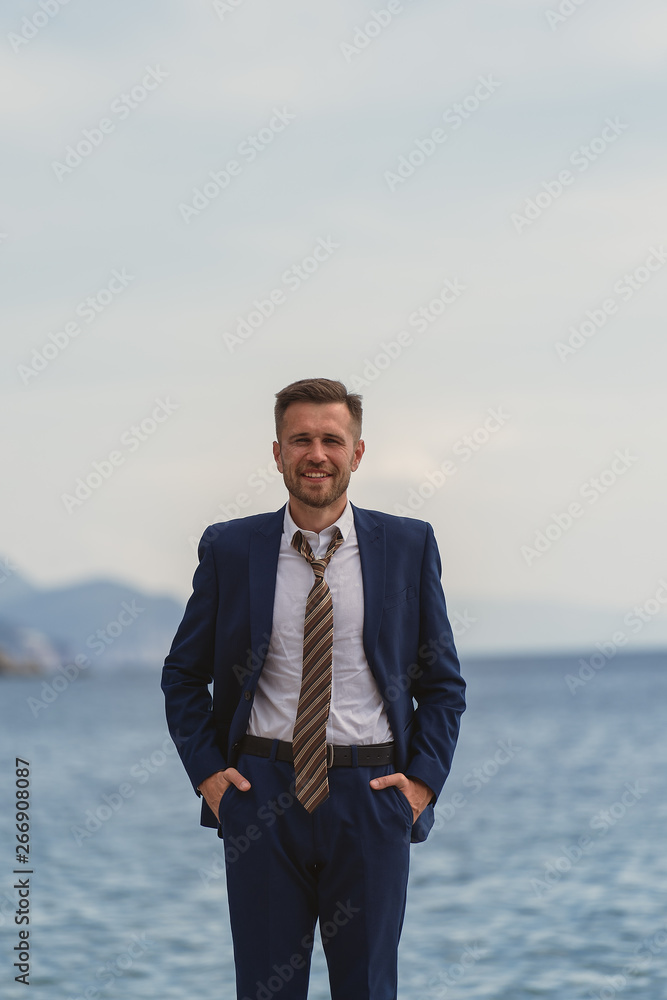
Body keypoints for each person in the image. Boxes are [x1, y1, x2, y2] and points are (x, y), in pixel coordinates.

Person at [161, 377, 466, 1000]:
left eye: (332, 439)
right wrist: (211, 778)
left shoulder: (409, 546)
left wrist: (421, 786)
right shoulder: (230, 547)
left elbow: (442, 684)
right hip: (260, 795)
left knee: (369, 991)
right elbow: (183, 676)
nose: (316, 454)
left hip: (372, 798)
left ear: (358, 452)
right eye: (301, 440)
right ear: (277, 453)